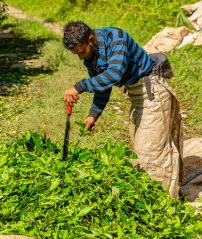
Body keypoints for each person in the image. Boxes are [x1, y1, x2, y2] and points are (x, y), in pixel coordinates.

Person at [62, 21, 183, 197]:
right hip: (137, 95)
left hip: (151, 89)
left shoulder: (116, 38)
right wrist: (93, 115)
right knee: (141, 148)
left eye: (82, 51)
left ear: (91, 39)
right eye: (77, 54)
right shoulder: (90, 57)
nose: (81, 57)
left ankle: (166, 202)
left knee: (151, 152)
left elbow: (114, 74)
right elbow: (103, 86)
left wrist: (79, 86)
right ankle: (155, 197)